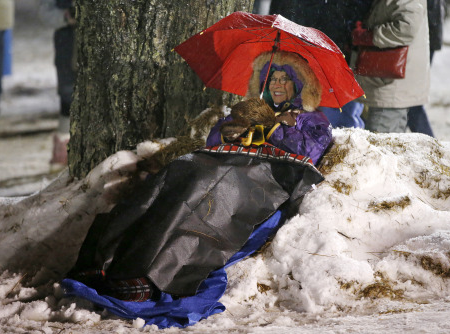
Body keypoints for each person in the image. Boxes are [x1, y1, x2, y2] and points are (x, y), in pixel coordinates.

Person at [65, 50, 332, 303]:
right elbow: (214, 140)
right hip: (220, 161)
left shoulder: (310, 118)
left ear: (298, 85)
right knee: (179, 170)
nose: (277, 83)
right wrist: (232, 126)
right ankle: (102, 259)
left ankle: (150, 275)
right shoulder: (252, 106)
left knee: (205, 191)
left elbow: (310, 150)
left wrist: (274, 127)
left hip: (266, 178)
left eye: (285, 79)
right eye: (272, 77)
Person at [268, 0, 373, 129]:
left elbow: (361, 11)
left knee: (338, 106)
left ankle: (338, 134)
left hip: (334, 46)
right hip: (306, 39)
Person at [353, 0, 430, 133]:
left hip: (392, 85)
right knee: (385, 144)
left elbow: (407, 27)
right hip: (386, 82)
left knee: (380, 146)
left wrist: (371, 36)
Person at [407, 0, 445, 137]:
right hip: (424, 36)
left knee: (409, 102)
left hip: (420, 40)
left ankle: (432, 147)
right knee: (409, 101)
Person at [50, 0, 76, 166]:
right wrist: (66, 18)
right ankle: (63, 153)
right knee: (67, 96)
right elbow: (45, 12)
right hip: (67, 47)